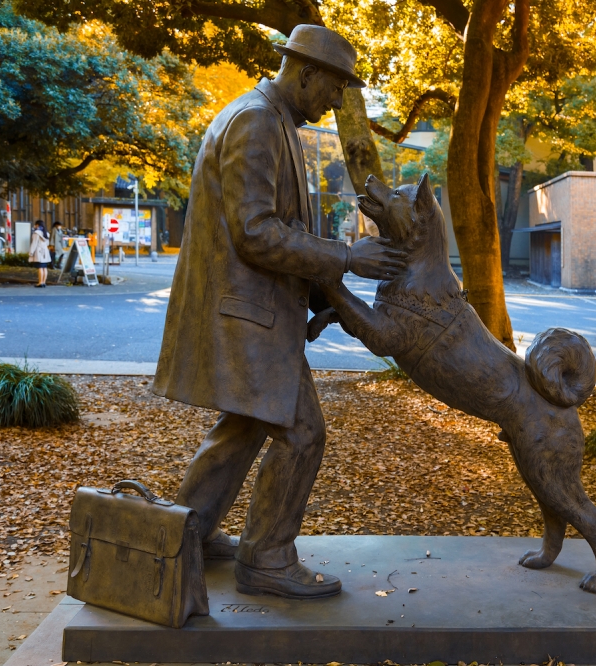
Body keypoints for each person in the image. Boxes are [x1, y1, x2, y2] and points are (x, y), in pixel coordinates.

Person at [153, 25, 406, 599]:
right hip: (249, 316)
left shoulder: (274, 121)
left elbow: (278, 229)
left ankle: (184, 534)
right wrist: (345, 257)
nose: (337, 100)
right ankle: (266, 557)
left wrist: (321, 297)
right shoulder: (258, 122)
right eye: (336, 86)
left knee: (243, 427)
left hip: (258, 311)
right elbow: (255, 232)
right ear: (306, 71)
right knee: (302, 433)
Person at [28, 220, 51, 287]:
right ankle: (44, 282)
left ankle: (40, 282)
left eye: (35, 225)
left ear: (37, 225)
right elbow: (47, 243)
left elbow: (34, 243)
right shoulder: (46, 233)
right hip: (45, 252)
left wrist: (31, 252)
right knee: (45, 267)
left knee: (40, 267)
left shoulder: (36, 233)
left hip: (39, 252)